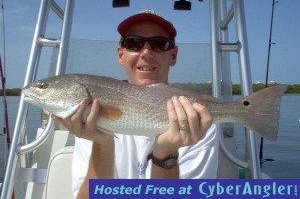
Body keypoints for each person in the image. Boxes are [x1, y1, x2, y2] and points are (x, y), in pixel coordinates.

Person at [52, 10, 219, 199]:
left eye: (159, 44)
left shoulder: (197, 121)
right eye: (134, 43)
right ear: (121, 55)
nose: (146, 53)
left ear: (173, 55)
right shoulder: (91, 117)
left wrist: (166, 154)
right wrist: (103, 143)